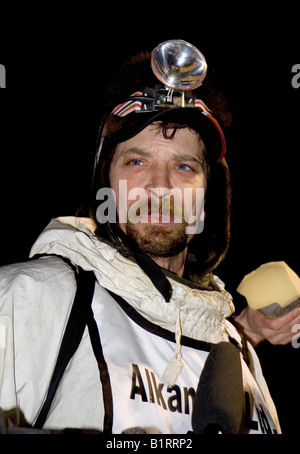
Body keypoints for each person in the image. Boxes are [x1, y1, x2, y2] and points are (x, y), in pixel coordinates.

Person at [0, 41, 282, 434]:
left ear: (205, 201)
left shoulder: (239, 358)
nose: (160, 186)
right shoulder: (27, 298)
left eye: (183, 166)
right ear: (106, 184)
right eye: (137, 161)